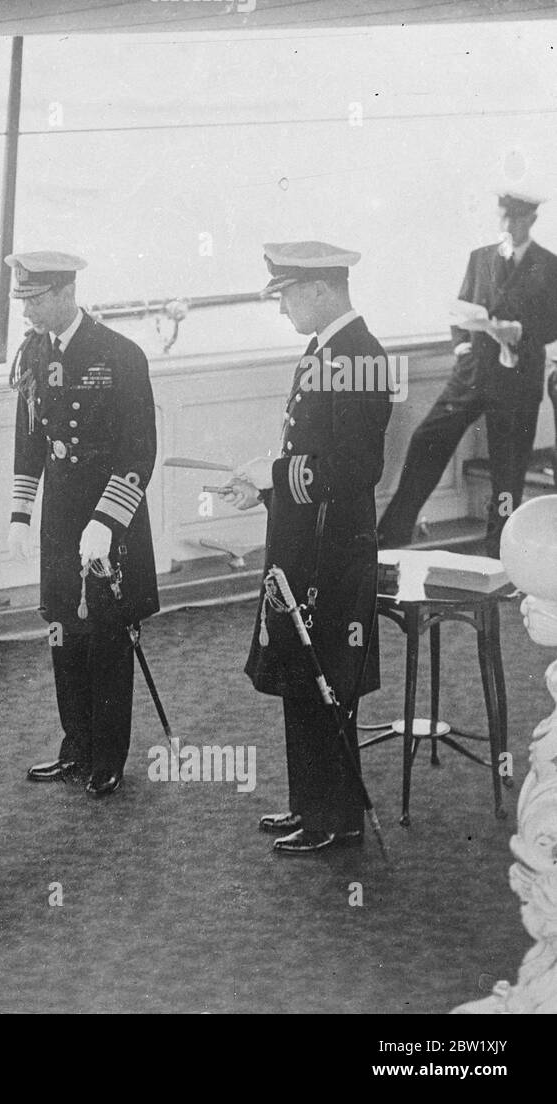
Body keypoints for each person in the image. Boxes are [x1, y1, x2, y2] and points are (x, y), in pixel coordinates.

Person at [223, 241, 393, 854]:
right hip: (305, 539)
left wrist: (275, 472)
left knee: (328, 676)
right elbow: (309, 456)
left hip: (335, 548)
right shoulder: (323, 349)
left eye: (288, 293)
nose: (283, 308)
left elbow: (357, 466)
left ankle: (336, 818)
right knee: (301, 667)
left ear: (321, 288)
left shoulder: (361, 356)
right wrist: (267, 487)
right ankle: (309, 805)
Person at [6, 252, 159, 798]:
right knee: (64, 632)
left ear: (66, 291)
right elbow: (31, 438)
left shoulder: (120, 355)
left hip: (107, 520)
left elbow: (140, 450)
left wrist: (106, 521)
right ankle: (76, 746)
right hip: (61, 520)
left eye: (36, 299)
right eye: (21, 300)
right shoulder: (33, 352)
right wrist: (21, 514)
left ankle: (108, 756)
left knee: (108, 637)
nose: (27, 311)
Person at [378, 189, 557, 557]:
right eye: (504, 217)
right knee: (428, 439)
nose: (508, 225)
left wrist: (521, 333)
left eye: (517, 219)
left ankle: (502, 550)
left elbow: (554, 324)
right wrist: (461, 345)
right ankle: (392, 535)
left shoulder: (550, 265)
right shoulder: (480, 258)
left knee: (507, 476)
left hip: (517, 382)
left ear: (532, 220)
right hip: (471, 374)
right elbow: (461, 309)